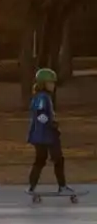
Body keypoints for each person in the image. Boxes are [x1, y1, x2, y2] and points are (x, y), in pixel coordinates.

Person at [28, 68, 69, 196]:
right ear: (43, 83)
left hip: (39, 136)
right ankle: (62, 186)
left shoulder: (40, 97)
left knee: (40, 160)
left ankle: (32, 186)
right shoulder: (42, 97)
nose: (53, 85)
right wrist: (51, 124)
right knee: (58, 160)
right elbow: (40, 113)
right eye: (50, 82)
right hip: (46, 136)